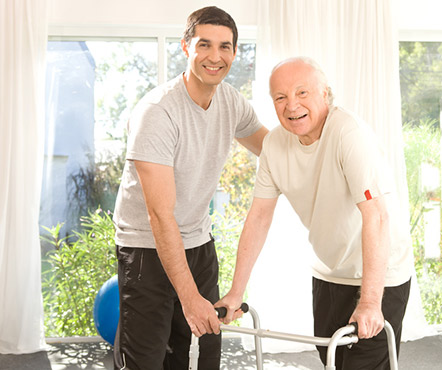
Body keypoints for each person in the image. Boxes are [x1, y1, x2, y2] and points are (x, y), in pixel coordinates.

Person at [216, 57, 414, 369]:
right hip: (330, 270)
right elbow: (259, 217)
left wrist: (371, 302)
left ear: (325, 94)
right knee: (331, 359)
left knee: (363, 364)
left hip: (380, 273)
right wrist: (235, 293)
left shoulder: (348, 134)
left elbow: (376, 215)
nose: (291, 105)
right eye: (280, 97)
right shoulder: (274, 147)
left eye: (302, 93)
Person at [111, 6, 268, 370]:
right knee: (148, 359)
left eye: (225, 47)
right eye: (205, 45)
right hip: (147, 247)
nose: (216, 57)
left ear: (234, 52)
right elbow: (159, 215)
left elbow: (274, 150)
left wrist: (321, 150)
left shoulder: (230, 101)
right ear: (186, 47)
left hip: (198, 242)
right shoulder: (158, 112)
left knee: (204, 353)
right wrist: (188, 295)